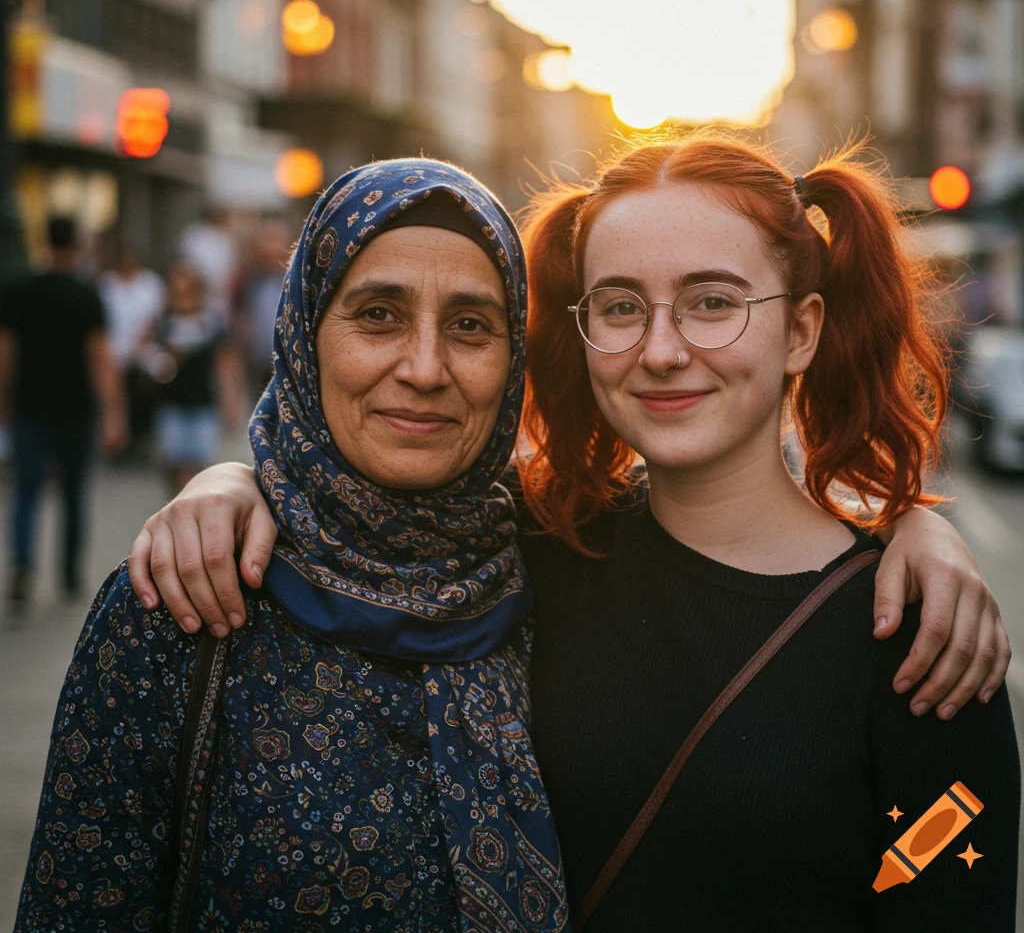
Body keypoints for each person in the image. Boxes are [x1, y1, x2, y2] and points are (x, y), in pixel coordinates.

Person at [127, 141, 1017, 930]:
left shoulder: (918, 641)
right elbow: (360, 520)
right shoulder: (527, 549)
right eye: (622, 307)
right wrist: (234, 484)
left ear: (803, 330)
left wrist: (918, 530)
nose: (662, 350)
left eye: (712, 303)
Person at [15, 161, 569, 931]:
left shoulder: (566, 567)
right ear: (305, 334)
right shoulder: (183, 601)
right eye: (378, 314)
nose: (424, 367)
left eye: (472, 325)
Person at [0, 216, 126, 608]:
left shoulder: (19, 291)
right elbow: (101, 359)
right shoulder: (86, 295)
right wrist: (113, 412)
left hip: (29, 408)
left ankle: (22, 567)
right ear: (75, 245)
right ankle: (69, 572)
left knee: (26, 492)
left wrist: (3, 402)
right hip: (75, 410)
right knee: (74, 493)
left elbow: (5, 355)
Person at [149, 263, 244, 493]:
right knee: (173, 463)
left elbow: (226, 364)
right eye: (177, 291)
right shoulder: (164, 323)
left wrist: (230, 403)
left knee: (201, 468)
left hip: (203, 405)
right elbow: (145, 355)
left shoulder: (210, 323)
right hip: (172, 404)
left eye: (188, 290)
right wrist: (164, 359)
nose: (183, 298)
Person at [99, 242, 166, 453]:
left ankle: (144, 434)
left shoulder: (151, 284)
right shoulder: (107, 285)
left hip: (142, 351)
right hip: (113, 351)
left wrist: (143, 341)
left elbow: (157, 318)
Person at [235, 213, 291, 394]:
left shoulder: (296, 282)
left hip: (288, 362)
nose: (269, 251)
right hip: (257, 362)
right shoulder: (248, 281)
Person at [178, 204, 238, 326]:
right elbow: (184, 264)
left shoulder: (227, 237)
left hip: (221, 298)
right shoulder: (194, 234)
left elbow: (232, 268)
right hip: (196, 296)